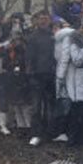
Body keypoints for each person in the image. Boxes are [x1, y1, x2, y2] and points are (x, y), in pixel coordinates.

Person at [25, 11, 57, 146]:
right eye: (41, 19)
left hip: (51, 75)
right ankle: (36, 134)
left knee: (51, 107)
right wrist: (30, 75)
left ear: (49, 20)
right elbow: (29, 58)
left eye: (46, 18)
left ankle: (50, 133)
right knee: (36, 108)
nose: (43, 21)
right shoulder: (32, 37)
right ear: (37, 21)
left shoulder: (54, 36)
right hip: (37, 76)